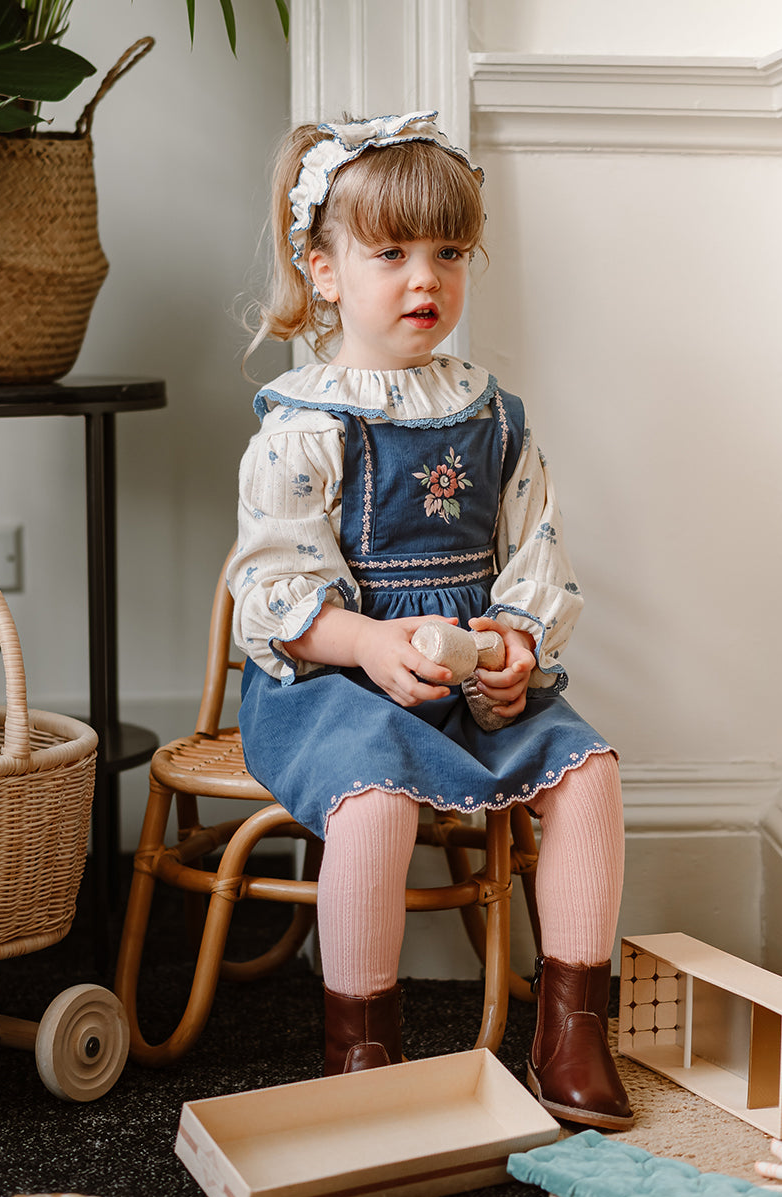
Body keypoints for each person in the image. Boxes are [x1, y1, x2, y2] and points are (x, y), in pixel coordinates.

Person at [229, 111, 633, 1131]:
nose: (427, 279)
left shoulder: (493, 416)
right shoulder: (305, 425)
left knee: (589, 771)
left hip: (469, 682)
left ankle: (573, 1029)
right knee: (374, 802)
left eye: (449, 253)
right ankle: (364, 1052)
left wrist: (514, 644)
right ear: (323, 270)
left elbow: (537, 552)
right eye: (392, 254)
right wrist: (365, 641)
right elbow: (272, 592)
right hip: (332, 687)